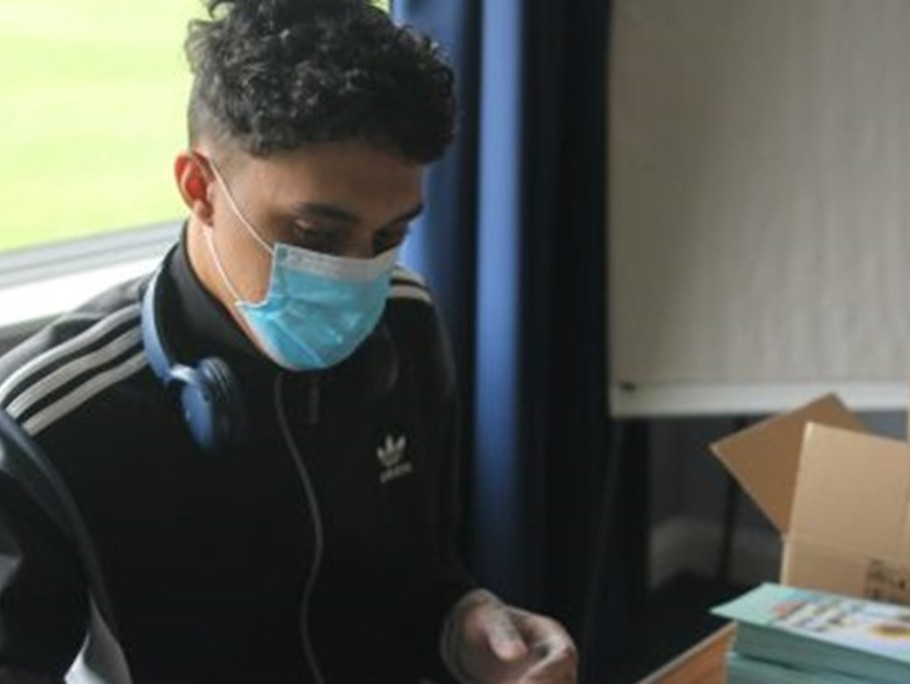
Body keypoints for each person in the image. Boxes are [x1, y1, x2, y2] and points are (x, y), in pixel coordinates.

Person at [0, 1, 577, 682]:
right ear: (199, 187)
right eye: (316, 235)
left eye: (390, 235)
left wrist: (462, 625)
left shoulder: (407, 322)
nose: (358, 274)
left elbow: (423, 577)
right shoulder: (50, 425)